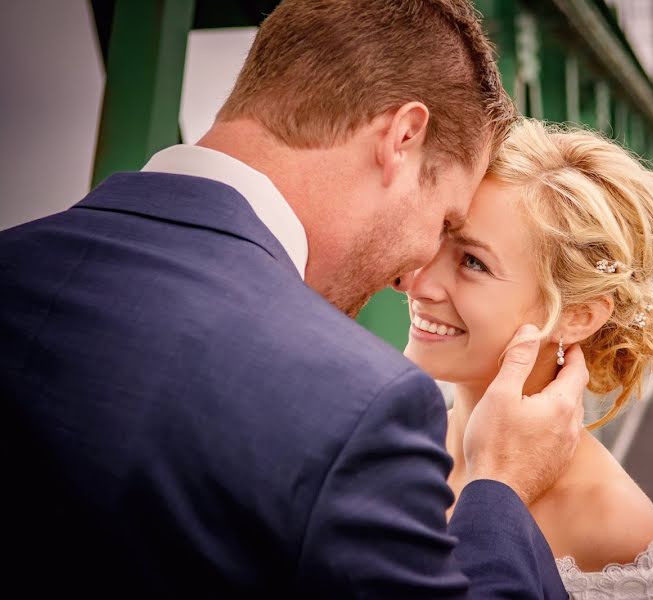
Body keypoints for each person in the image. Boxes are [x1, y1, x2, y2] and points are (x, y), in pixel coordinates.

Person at [0, 2, 587, 597]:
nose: (411, 279)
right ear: (402, 138)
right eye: (443, 220)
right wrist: (499, 489)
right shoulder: (361, 403)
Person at [397, 119, 653, 599]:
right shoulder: (392, 447)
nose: (415, 281)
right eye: (437, 238)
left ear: (576, 317)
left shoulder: (614, 528)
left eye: (473, 262)